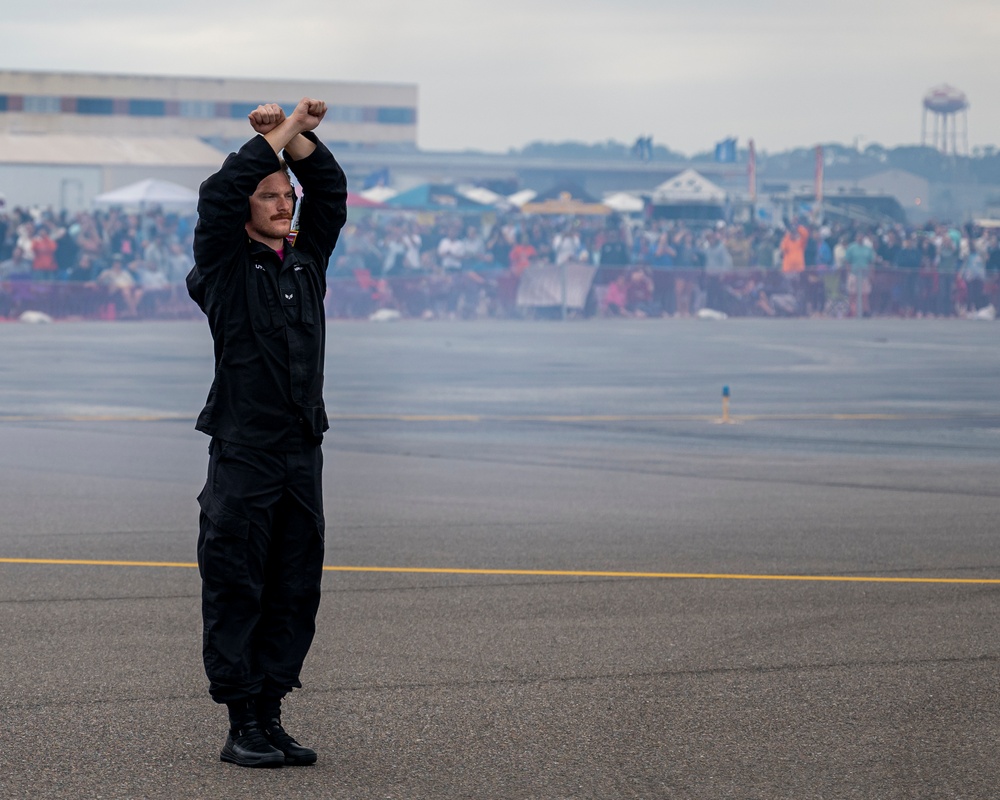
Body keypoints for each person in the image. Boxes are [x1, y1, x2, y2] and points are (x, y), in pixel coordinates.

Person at [186, 98, 347, 768]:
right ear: (248, 209)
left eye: (288, 195)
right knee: (237, 581)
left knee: (293, 584)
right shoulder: (224, 267)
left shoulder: (306, 260)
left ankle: (273, 713)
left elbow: (331, 191)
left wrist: (299, 138)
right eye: (271, 196)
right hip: (245, 450)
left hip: (301, 451)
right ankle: (240, 720)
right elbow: (219, 193)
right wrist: (272, 135)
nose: (285, 206)